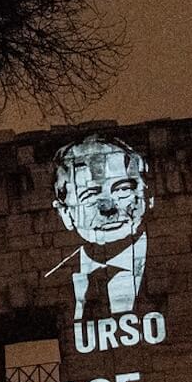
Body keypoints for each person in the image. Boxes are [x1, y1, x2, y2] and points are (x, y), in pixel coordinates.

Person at [47, 134, 153, 321]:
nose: (108, 209)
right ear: (64, 213)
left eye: (122, 189)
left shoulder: (182, 269)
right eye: (90, 195)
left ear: (147, 196)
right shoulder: (49, 282)